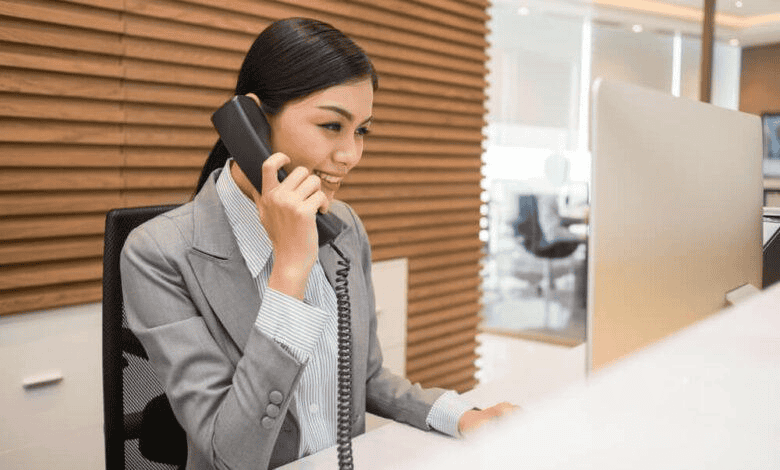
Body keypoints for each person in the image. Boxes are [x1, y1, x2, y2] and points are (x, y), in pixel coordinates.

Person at [121, 17, 516, 470]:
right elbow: (229, 455)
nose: (350, 155)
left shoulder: (342, 224)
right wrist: (289, 271)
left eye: (362, 130)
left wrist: (463, 416)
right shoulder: (157, 253)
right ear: (250, 121)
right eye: (332, 125)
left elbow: (363, 379)